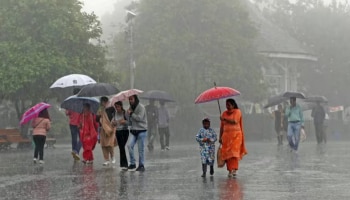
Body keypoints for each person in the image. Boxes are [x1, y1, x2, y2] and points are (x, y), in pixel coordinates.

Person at [219, 98, 247, 177]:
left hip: (236, 136)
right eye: (226, 105)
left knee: (233, 154)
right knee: (227, 154)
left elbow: (235, 121)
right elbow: (222, 127)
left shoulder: (237, 112)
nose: (227, 106)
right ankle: (230, 170)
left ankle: (234, 169)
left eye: (229, 105)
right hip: (226, 137)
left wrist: (224, 119)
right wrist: (220, 137)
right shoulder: (224, 113)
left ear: (233, 105)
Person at [127, 95, 147, 172]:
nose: (130, 101)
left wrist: (131, 114)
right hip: (133, 130)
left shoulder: (141, 107)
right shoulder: (130, 108)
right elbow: (129, 121)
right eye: (129, 99)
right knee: (129, 146)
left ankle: (141, 165)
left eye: (131, 99)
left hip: (142, 130)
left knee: (140, 149)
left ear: (135, 99)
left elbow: (139, 118)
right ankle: (132, 163)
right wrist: (127, 115)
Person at [98, 96, 116, 166]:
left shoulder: (112, 108)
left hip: (111, 128)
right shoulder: (100, 110)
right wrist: (99, 115)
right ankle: (106, 159)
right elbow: (97, 120)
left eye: (105, 102)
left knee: (110, 144)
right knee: (103, 145)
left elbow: (115, 117)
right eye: (102, 102)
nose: (104, 103)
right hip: (103, 129)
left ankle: (113, 157)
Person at [112, 101, 129, 170]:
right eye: (116, 107)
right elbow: (112, 123)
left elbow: (129, 122)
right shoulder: (114, 114)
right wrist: (113, 123)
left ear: (121, 106)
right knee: (121, 148)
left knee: (122, 147)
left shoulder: (125, 113)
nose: (117, 108)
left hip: (125, 131)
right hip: (118, 132)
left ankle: (124, 164)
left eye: (118, 107)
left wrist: (124, 122)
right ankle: (124, 164)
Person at [66, 88, 81, 161]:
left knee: (74, 139)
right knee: (82, 138)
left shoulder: (70, 102)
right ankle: (76, 151)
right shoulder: (82, 101)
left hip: (72, 123)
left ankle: (74, 151)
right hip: (80, 123)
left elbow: (67, 113)